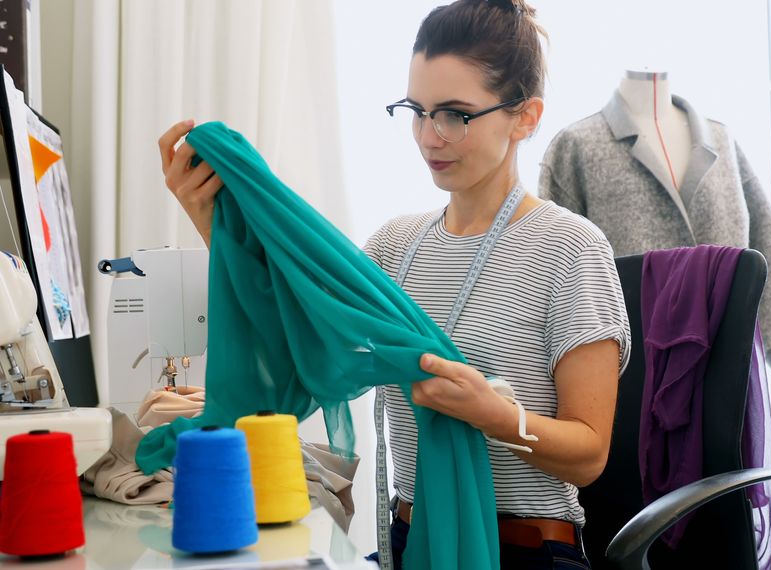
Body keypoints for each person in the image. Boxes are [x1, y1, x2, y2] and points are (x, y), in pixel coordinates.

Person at [156, 1, 630, 568]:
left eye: (455, 115)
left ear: (525, 117)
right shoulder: (394, 247)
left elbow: (590, 455)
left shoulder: (570, 249)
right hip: (409, 543)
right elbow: (298, 344)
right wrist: (212, 216)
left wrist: (495, 415)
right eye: (417, 110)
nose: (429, 137)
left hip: (527, 553)